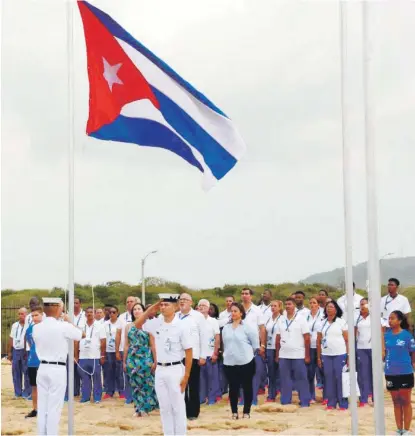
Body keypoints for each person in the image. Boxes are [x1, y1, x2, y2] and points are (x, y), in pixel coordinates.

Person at [135, 295, 193, 436]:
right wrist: (150, 309)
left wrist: (186, 376)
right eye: (161, 305)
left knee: (177, 407)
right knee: (164, 407)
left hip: (175, 369)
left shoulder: (182, 326)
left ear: (176, 307)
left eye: (166, 305)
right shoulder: (157, 323)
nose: (162, 307)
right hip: (160, 369)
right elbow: (137, 324)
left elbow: (189, 351)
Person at [33, 298, 83, 435]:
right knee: (54, 408)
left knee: (42, 407)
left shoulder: (36, 328)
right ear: (57, 309)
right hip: (57, 369)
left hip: (42, 368)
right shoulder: (63, 326)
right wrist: (68, 321)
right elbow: (81, 335)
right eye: (61, 308)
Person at [175, 293, 209, 420]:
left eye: (185, 300)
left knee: (193, 385)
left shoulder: (198, 316)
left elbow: (204, 336)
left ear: (191, 302)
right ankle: (181, 410)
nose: (182, 301)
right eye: (181, 299)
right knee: (180, 384)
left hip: (193, 356)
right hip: (177, 356)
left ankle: (193, 412)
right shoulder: (175, 316)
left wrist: (203, 355)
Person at [222, 302, 259, 419]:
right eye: (231, 311)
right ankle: (234, 412)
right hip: (229, 363)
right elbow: (225, 344)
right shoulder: (226, 328)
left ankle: (246, 411)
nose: (233, 313)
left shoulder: (248, 327)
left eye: (235, 311)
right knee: (233, 388)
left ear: (241, 313)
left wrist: (246, 354)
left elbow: (255, 345)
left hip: (246, 362)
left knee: (247, 387)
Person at [383, 310, 415, 436]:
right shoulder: (386, 335)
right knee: (396, 401)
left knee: (405, 401)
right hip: (390, 372)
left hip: (405, 372)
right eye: (389, 318)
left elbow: (413, 352)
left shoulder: (407, 335)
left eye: (393, 318)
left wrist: (412, 364)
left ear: (400, 321)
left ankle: (407, 430)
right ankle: (399, 429)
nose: (390, 321)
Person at [124, 303, 158, 417]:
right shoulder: (128, 326)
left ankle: (145, 408)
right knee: (135, 384)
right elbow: (126, 345)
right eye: (134, 309)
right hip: (132, 358)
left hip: (145, 358)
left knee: (147, 384)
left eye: (139, 309)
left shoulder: (148, 326)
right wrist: (124, 361)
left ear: (143, 311)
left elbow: (153, 345)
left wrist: (155, 360)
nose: (136, 311)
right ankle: (138, 409)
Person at [275, 297, 311, 407]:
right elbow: (277, 338)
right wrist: (277, 355)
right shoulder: (281, 319)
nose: (287, 306)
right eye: (286, 304)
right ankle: (285, 401)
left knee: (301, 379)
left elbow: (307, 338)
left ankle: (304, 401)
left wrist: (307, 355)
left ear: (294, 305)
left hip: (298, 354)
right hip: (284, 354)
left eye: (290, 304)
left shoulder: (301, 318)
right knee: (285, 379)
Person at [317, 300, 349, 410]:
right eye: (327, 307)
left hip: (340, 354)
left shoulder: (341, 322)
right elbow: (318, 340)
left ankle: (343, 403)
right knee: (329, 379)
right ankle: (331, 403)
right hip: (326, 354)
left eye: (331, 307)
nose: (329, 309)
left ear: (336, 309)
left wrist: (348, 355)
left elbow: (347, 340)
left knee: (340, 379)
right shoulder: (322, 322)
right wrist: (318, 356)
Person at [240, 288, 266, 405]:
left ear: (251, 296)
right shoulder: (237, 309)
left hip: (253, 346)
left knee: (254, 374)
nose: (244, 296)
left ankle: (252, 399)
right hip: (239, 346)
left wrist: (263, 345)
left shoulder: (257, 310)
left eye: (247, 294)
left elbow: (262, 329)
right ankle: (242, 398)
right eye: (243, 294)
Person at [75, 307, 106, 403]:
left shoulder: (99, 326)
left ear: (95, 314)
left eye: (91, 312)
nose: (89, 314)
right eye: (87, 312)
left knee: (96, 377)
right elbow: (76, 341)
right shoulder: (81, 326)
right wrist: (76, 355)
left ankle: (97, 397)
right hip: (83, 356)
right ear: (85, 314)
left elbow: (103, 341)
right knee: (84, 378)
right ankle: (85, 397)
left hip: (95, 356)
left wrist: (102, 355)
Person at [115, 296, 140, 403]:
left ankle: (139, 396)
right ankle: (129, 396)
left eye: (131, 301)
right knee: (127, 374)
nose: (129, 303)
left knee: (140, 374)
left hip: (140, 351)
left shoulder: (142, 317)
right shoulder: (121, 317)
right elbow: (118, 333)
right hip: (126, 349)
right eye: (127, 302)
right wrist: (117, 350)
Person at [198, 299, 221, 405]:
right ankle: (201, 398)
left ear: (208, 308)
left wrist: (215, 353)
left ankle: (212, 398)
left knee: (212, 378)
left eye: (204, 306)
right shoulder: (193, 321)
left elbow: (217, 337)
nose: (201, 307)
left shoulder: (213, 321)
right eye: (200, 305)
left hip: (210, 354)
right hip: (197, 356)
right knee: (200, 380)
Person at [24, 305, 43, 418]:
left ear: (42, 315)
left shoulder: (46, 327)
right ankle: (35, 409)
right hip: (32, 361)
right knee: (34, 386)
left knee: (44, 387)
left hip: (44, 362)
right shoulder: (29, 329)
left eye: (36, 315)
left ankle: (45, 409)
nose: (34, 318)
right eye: (32, 316)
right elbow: (30, 344)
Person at [8, 307, 31, 399]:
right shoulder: (15, 325)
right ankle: (17, 392)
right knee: (15, 371)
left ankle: (26, 392)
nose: (20, 316)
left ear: (26, 315)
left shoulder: (29, 325)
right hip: (16, 350)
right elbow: (11, 338)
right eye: (19, 314)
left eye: (22, 314)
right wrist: (10, 352)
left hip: (25, 350)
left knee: (26, 371)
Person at [306, 296, 325, 403]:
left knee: (322, 372)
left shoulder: (322, 315)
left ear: (318, 304)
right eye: (310, 302)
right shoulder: (305, 316)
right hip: (309, 347)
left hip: (320, 347)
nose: (312, 305)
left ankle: (326, 396)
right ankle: (311, 396)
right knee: (310, 373)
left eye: (314, 303)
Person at [355, 298, 372, 407]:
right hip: (361, 348)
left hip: (373, 348)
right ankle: (364, 398)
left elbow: (382, 333)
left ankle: (374, 397)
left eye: (365, 304)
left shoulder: (375, 317)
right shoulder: (357, 318)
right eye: (361, 304)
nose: (362, 306)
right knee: (362, 374)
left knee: (373, 373)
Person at [103, 306, 123, 399]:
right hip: (108, 350)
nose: (111, 314)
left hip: (119, 350)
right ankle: (109, 391)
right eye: (110, 312)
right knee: (109, 372)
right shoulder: (105, 324)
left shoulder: (121, 323)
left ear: (117, 313)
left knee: (119, 371)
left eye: (114, 312)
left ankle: (121, 391)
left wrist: (118, 351)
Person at [265, 300, 282, 402]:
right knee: (271, 372)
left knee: (280, 372)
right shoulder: (268, 319)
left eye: (275, 306)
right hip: (269, 347)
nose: (273, 308)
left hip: (280, 348)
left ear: (280, 307)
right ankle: (271, 394)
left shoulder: (282, 319)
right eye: (271, 306)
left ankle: (280, 392)